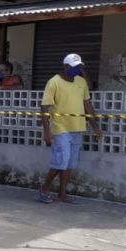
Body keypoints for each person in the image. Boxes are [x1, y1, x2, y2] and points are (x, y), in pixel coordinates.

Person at [38, 54, 103, 204]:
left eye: (79, 67)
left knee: (69, 164)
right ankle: (45, 188)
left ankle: (62, 194)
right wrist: (47, 131)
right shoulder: (54, 82)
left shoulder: (81, 82)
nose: (77, 70)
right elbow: (44, 108)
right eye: (75, 67)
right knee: (60, 162)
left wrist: (95, 126)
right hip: (60, 128)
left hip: (77, 127)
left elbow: (88, 105)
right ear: (65, 66)